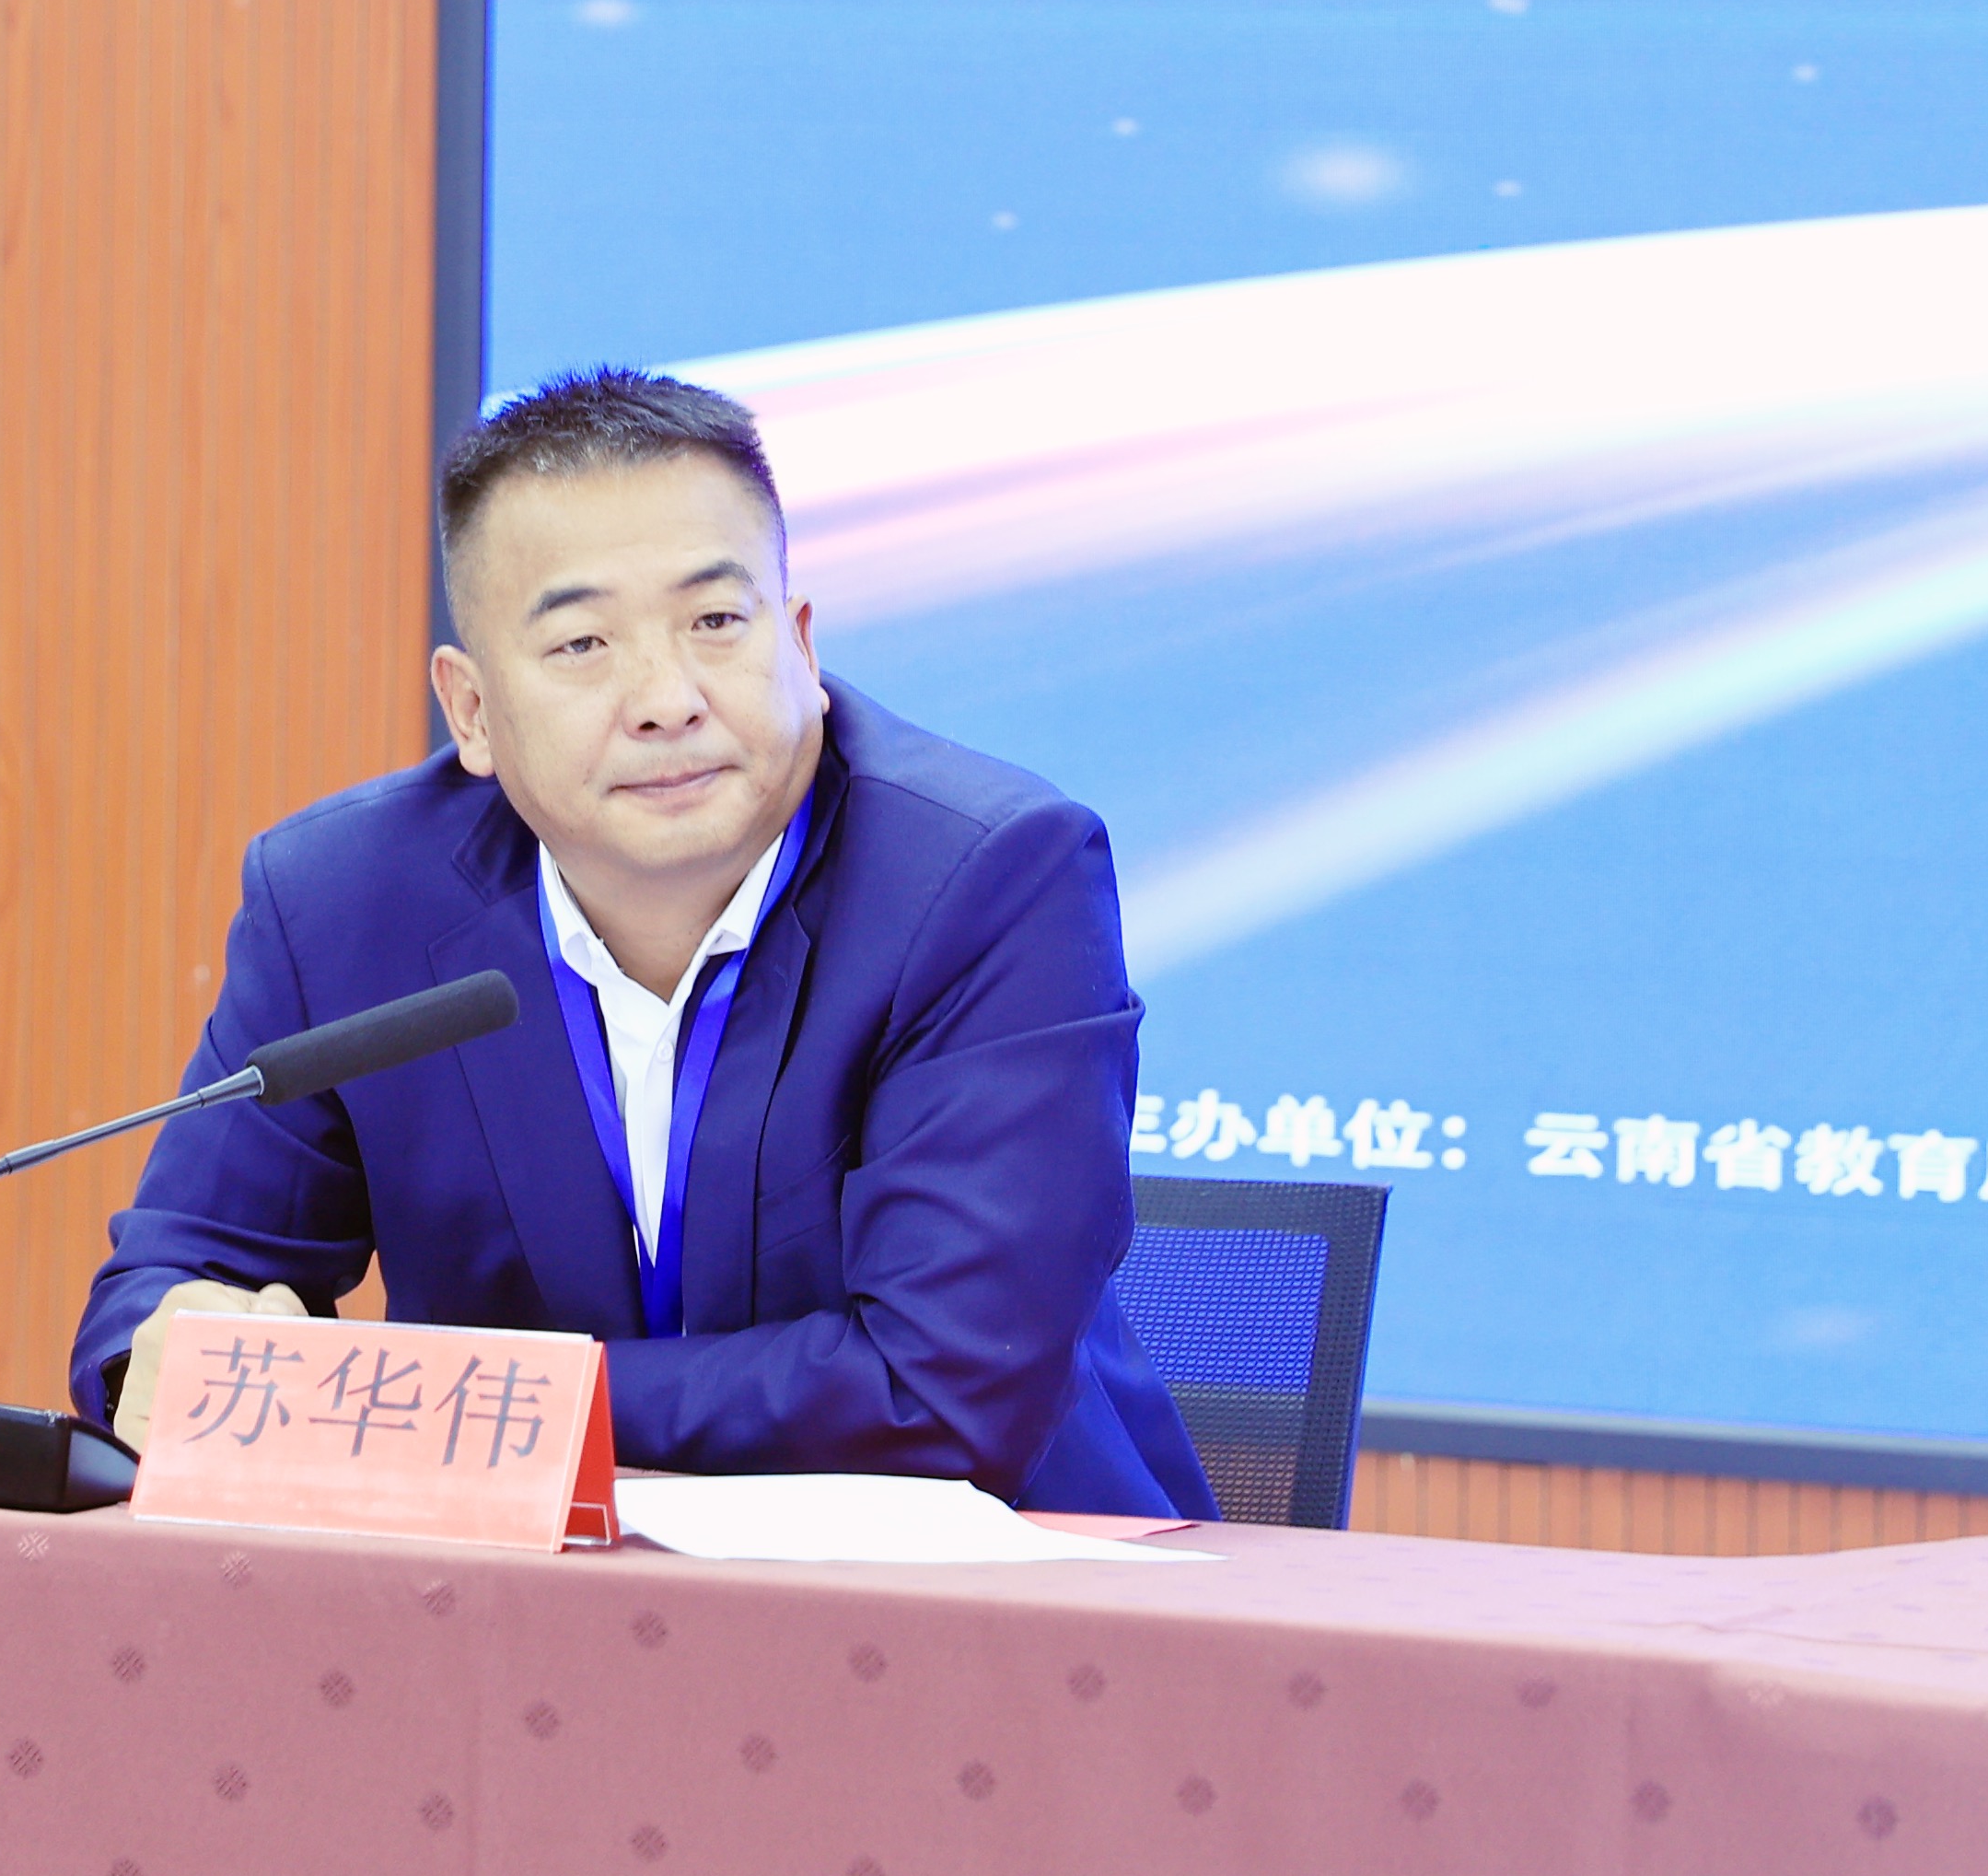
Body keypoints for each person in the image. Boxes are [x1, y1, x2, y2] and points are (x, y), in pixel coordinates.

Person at [68, 368, 1215, 1518]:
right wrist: (169, 1349)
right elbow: (166, 1283)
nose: (667, 698)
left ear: (800, 646)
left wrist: (447, 1401)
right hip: (514, 1597)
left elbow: (941, 1390)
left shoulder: (987, 880)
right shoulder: (345, 902)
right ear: (472, 710)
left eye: (717, 622)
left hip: (995, 1586)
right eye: (582, 643)